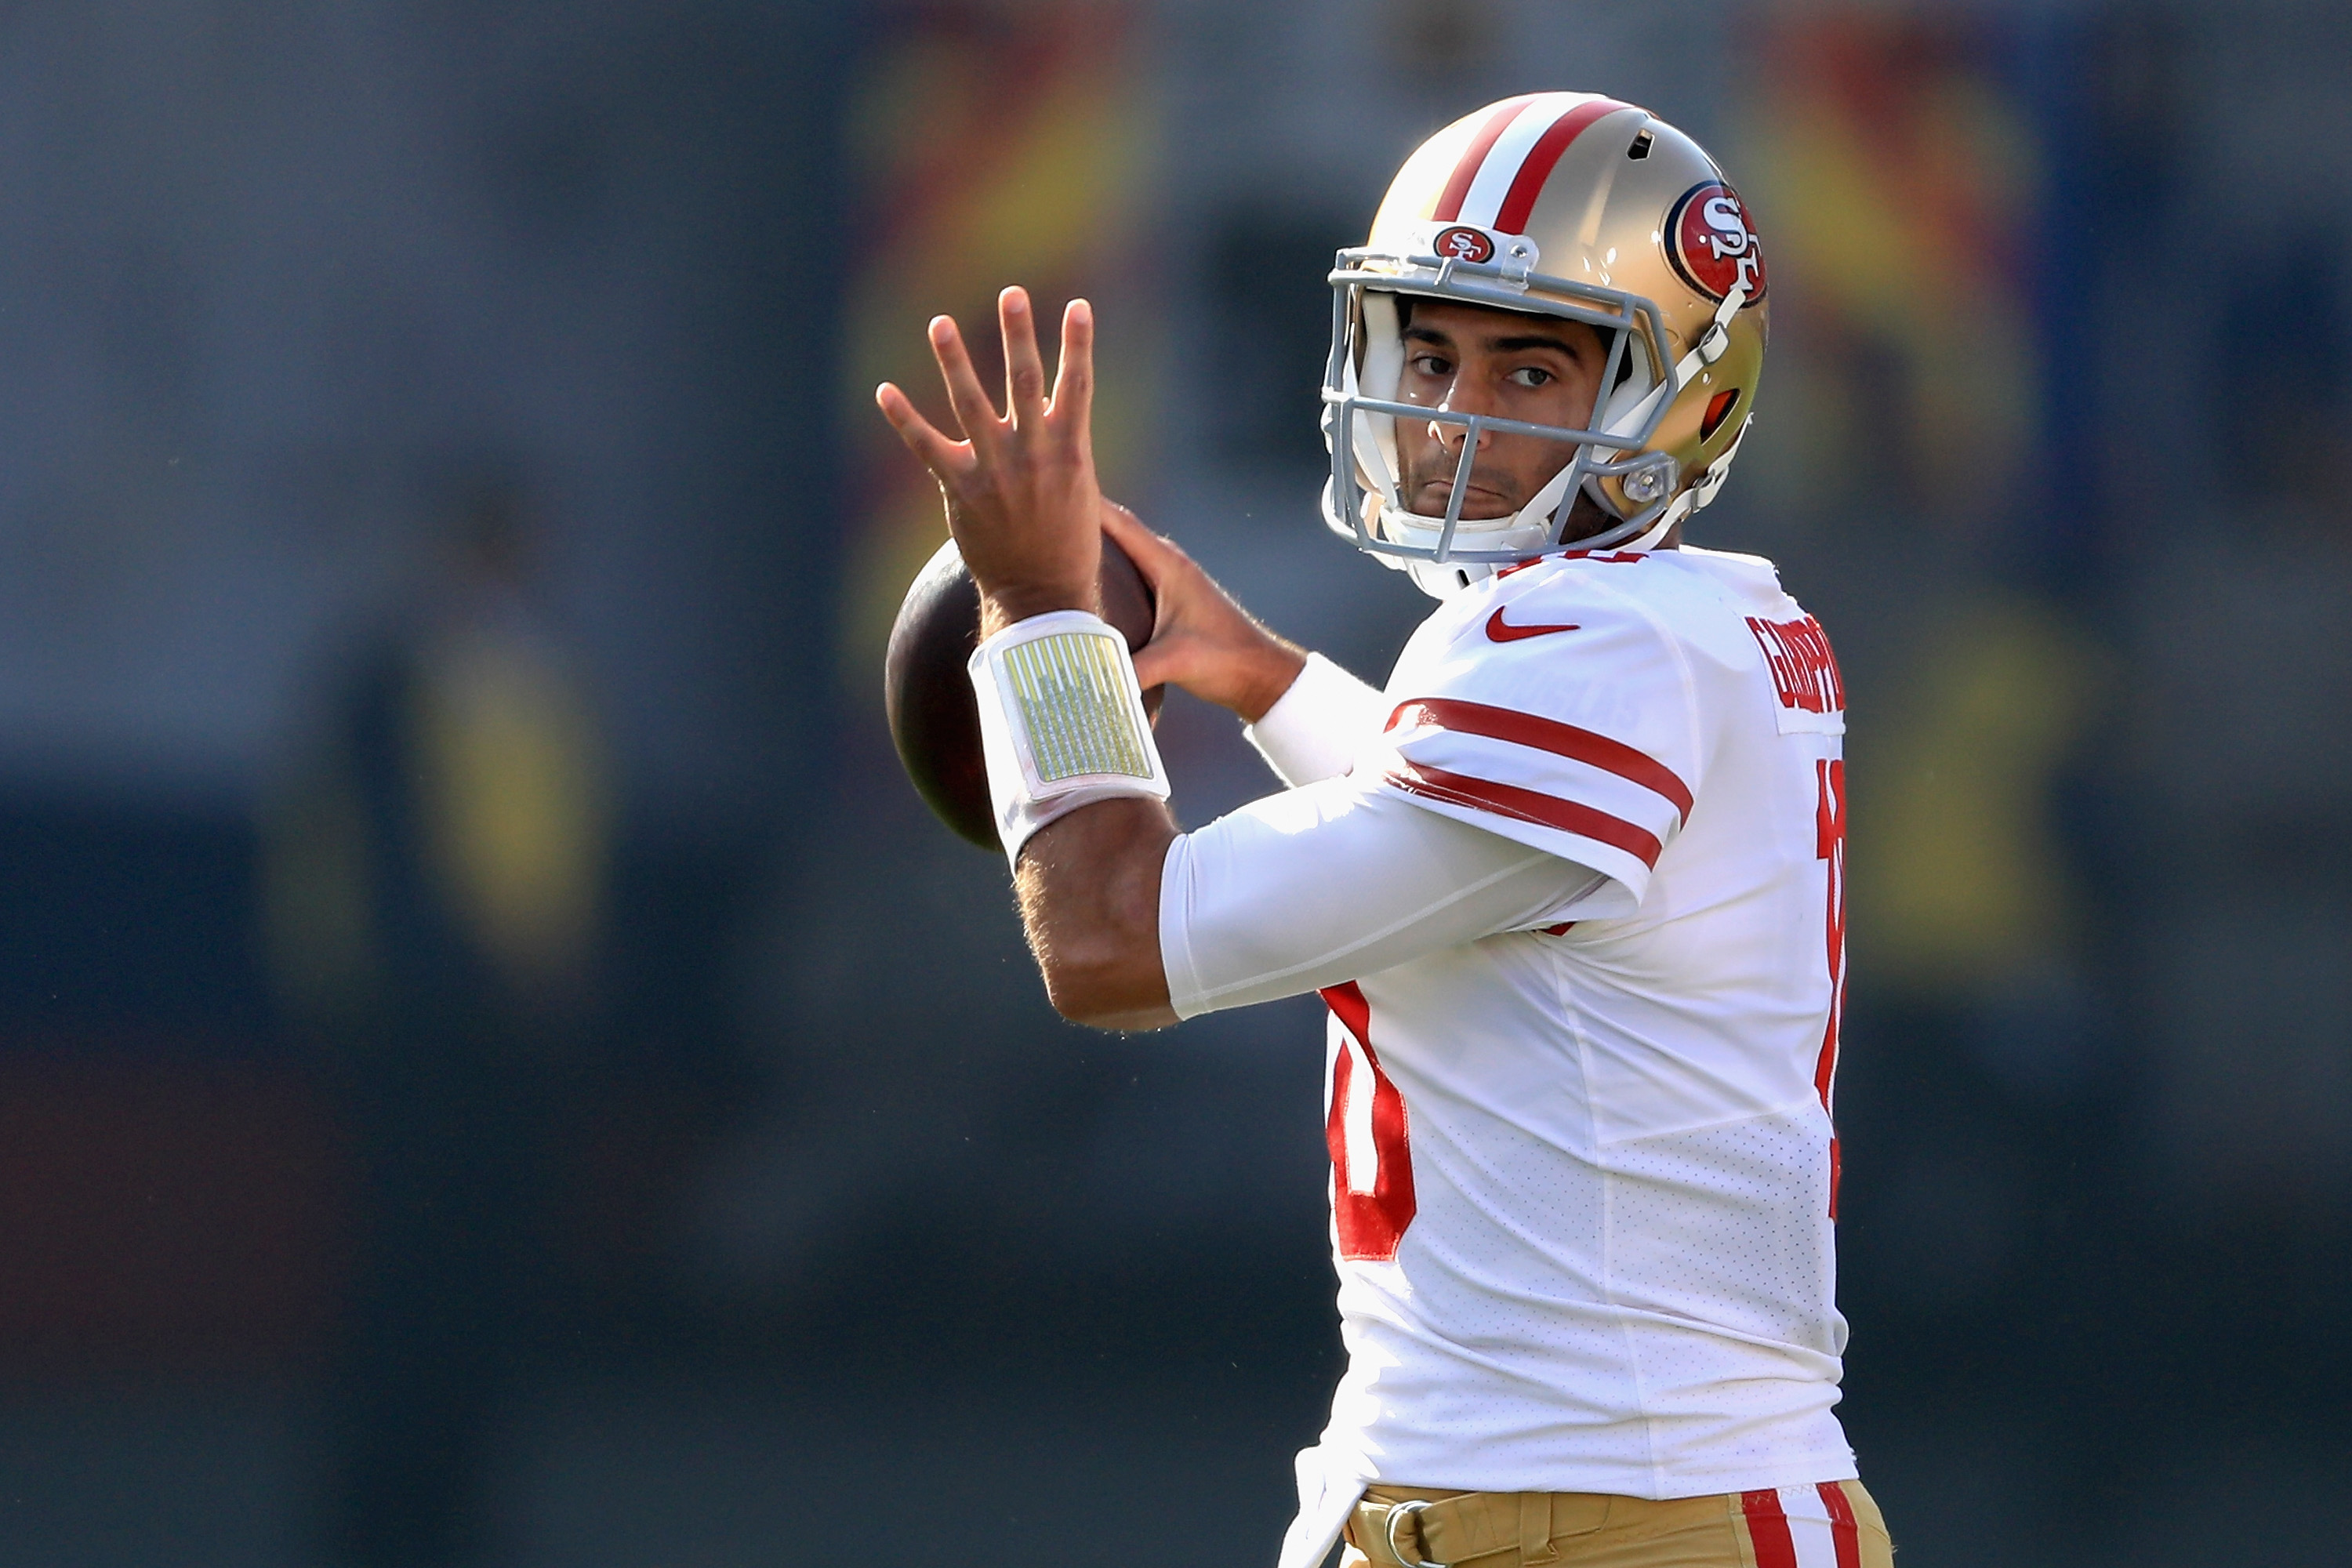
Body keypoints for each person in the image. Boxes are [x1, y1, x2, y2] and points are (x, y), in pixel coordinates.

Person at [877, 93, 1888, 1568]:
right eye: (1429, 350)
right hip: (1523, 1499)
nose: (1453, 412)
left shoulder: (1592, 644)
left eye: (1530, 365)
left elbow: (1107, 939)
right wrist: (1261, 676)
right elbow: (1474, 873)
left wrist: (1036, 612)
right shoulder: (1699, 625)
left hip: (1621, 1518)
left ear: (1688, 396)